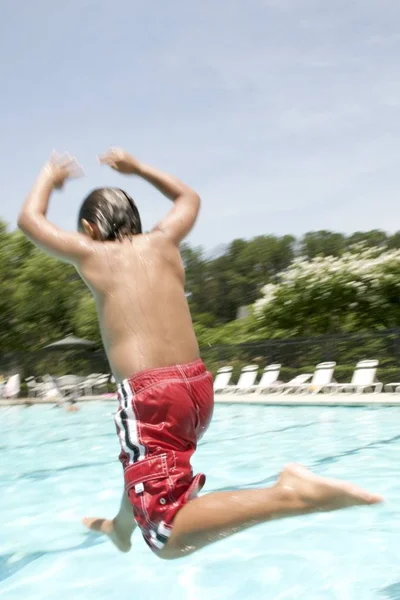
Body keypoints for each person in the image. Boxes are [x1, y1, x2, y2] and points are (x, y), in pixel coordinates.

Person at [18, 148, 383, 560]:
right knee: (145, 462)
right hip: (197, 389)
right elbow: (188, 199)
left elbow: (30, 221)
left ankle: (287, 494)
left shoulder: (93, 252)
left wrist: (49, 175)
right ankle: (121, 528)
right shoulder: (165, 240)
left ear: (88, 228)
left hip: (151, 396)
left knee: (164, 533)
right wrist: (138, 169)